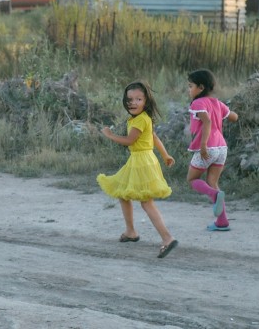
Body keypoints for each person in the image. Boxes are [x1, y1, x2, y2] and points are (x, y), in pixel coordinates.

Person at [97, 80, 178, 258]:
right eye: (130, 99)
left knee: (146, 202)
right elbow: (154, 137)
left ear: (146, 101)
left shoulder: (140, 119)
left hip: (141, 161)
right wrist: (165, 155)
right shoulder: (140, 118)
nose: (133, 103)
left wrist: (110, 135)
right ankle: (131, 231)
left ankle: (167, 238)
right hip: (141, 160)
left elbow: (129, 140)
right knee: (123, 194)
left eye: (138, 99)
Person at [186, 69, 239, 231]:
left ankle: (213, 194)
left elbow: (207, 121)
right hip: (221, 147)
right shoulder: (217, 103)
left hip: (208, 147)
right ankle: (222, 221)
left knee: (192, 179)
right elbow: (234, 117)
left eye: (190, 86)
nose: (188, 90)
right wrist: (222, 112)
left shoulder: (197, 103)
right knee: (213, 182)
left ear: (201, 87)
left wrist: (203, 145)